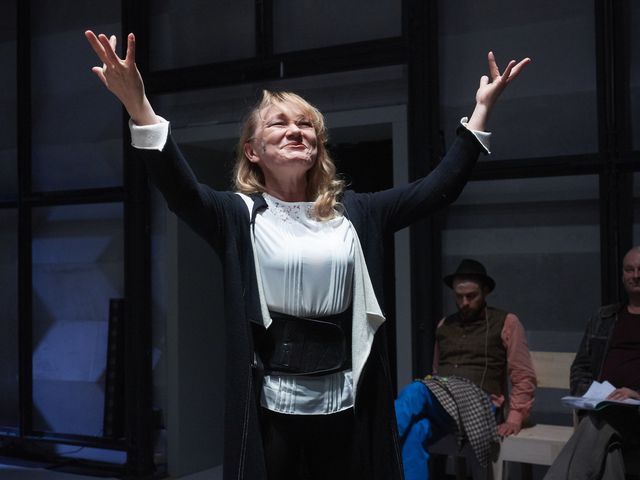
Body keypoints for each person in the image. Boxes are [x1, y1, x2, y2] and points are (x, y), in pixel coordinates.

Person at [84, 29, 530, 480]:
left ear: (317, 146)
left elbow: (437, 189)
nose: (296, 131)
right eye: (279, 123)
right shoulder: (238, 215)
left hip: (346, 404)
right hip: (272, 411)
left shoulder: (357, 213)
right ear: (252, 151)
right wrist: (138, 104)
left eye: (306, 125)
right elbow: (179, 189)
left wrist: (481, 109)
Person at [395, 258, 536, 480]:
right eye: (459, 296)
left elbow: (523, 374)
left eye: (471, 296)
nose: (464, 302)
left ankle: (377, 444)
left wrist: (515, 416)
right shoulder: (445, 325)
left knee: (416, 390)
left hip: (480, 403)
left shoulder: (506, 322)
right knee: (415, 432)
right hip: (446, 405)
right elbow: (437, 369)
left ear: (485, 291)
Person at [544, 246, 640, 480]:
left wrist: (636, 395)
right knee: (606, 442)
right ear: (622, 275)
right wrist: (591, 396)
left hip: (635, 412)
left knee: (594, 425)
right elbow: (580, 367)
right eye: (629, 270)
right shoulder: (603, 318)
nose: (636, 275)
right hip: (604, 406)